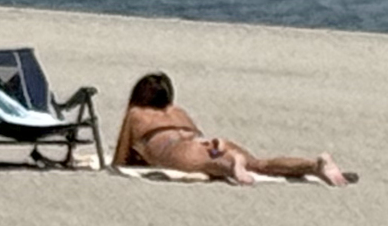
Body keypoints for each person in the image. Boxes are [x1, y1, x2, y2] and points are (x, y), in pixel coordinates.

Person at [110, 72, 350, 184]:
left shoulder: (136, 114)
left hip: (178, 148)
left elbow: (121, 158)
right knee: (260, 165)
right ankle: (314, 164)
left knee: (211, 165)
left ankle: (231, 164)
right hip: (206, 142)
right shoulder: (177, 111)